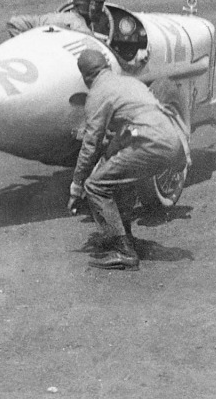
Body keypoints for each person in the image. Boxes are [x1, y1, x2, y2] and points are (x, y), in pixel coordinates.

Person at [68, 48, 189, 271]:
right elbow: (124, 136)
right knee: (119, 180)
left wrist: (77, 185)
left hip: (151, 144)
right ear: (106, 66)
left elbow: (90, 145)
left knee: (95, 187)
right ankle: (127, 238)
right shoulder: (129, 83)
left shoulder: (98, 94)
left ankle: (123, 251)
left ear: (85, 77)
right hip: (173, 142)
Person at [7, 0, 112, 39]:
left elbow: (14, 23)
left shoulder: (55, 17)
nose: (102, 10)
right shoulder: (80, 28)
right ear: (85, 6)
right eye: (97, 5)